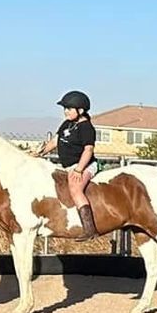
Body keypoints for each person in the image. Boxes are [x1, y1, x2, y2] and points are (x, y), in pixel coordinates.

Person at [37, 91, 99, 235]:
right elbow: (54, 142)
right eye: (65, 108)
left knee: (75, 188)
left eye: (69, 109)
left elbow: (88, 150)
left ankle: (89, 229)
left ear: (81, 110)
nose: (65, 112)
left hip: (85, 164)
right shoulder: (67, 124)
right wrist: (40, 153)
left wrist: (79, 170)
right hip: (69, 166)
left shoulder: (87, 128)